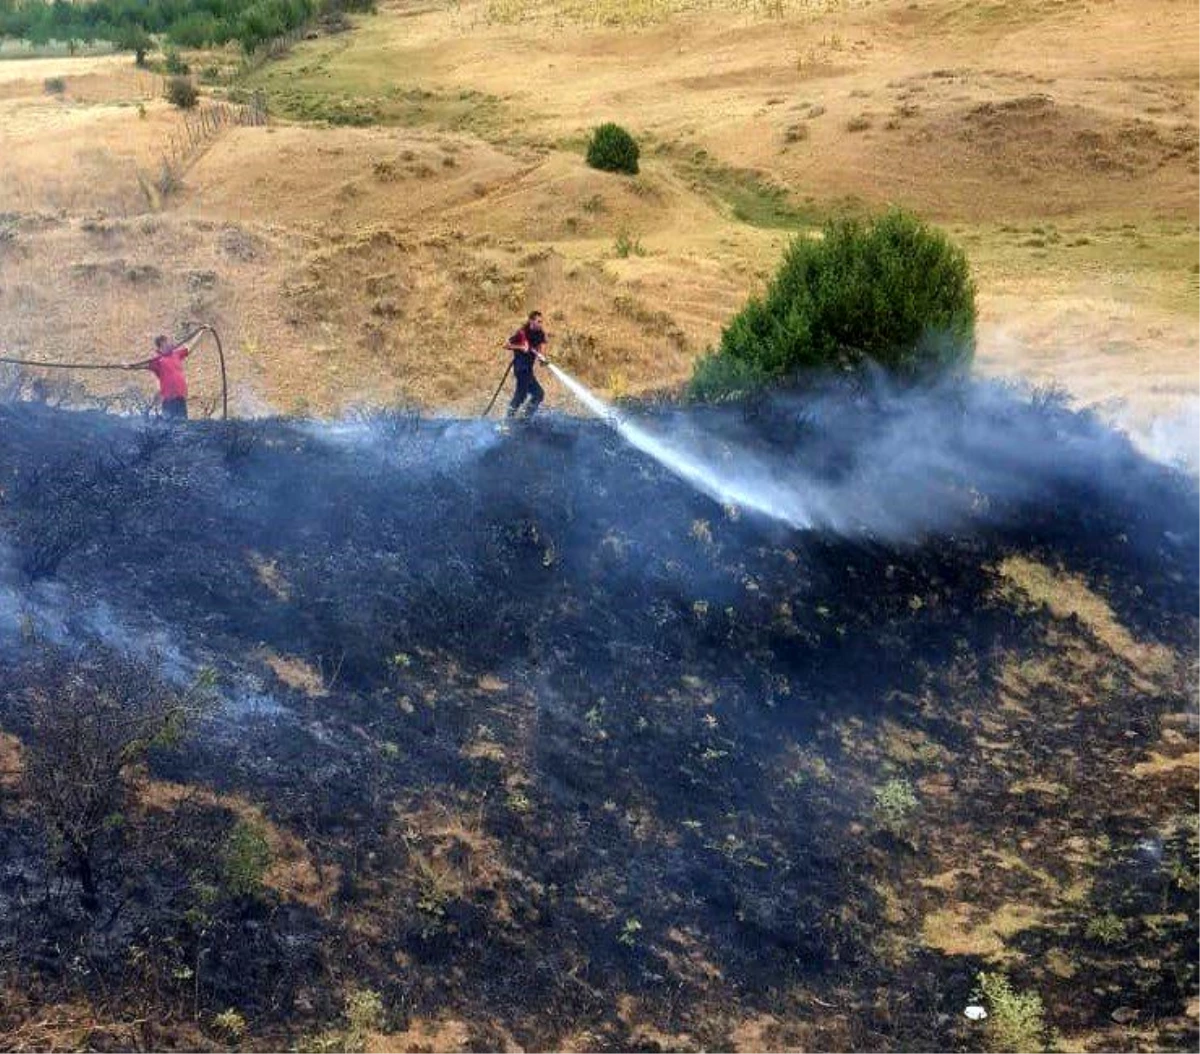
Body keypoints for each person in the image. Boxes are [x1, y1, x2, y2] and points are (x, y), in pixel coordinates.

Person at [126, 332, 196, 419]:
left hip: (181, 399)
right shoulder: (158, 361)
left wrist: (202, 331)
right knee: (171, 427)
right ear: (162, 345)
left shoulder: (176, 354)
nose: (171, 344)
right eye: (168, 342)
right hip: (169, 400)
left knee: (183, 425)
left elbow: (190, 348)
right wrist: (129, 367)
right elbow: (143, 365)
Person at [504, 310, 550, 418]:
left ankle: (522, 417)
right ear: (531, 321)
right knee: (536, 394)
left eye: (541, 322)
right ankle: (517, 419)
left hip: (528, 370)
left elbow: (540, 347)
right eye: (538, 322)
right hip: (520, 369)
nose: (540, 324)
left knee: (526, 395)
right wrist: (520, 347)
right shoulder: (522, 333)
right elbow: (506, 345)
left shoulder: (540, 333)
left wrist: (542, 358)